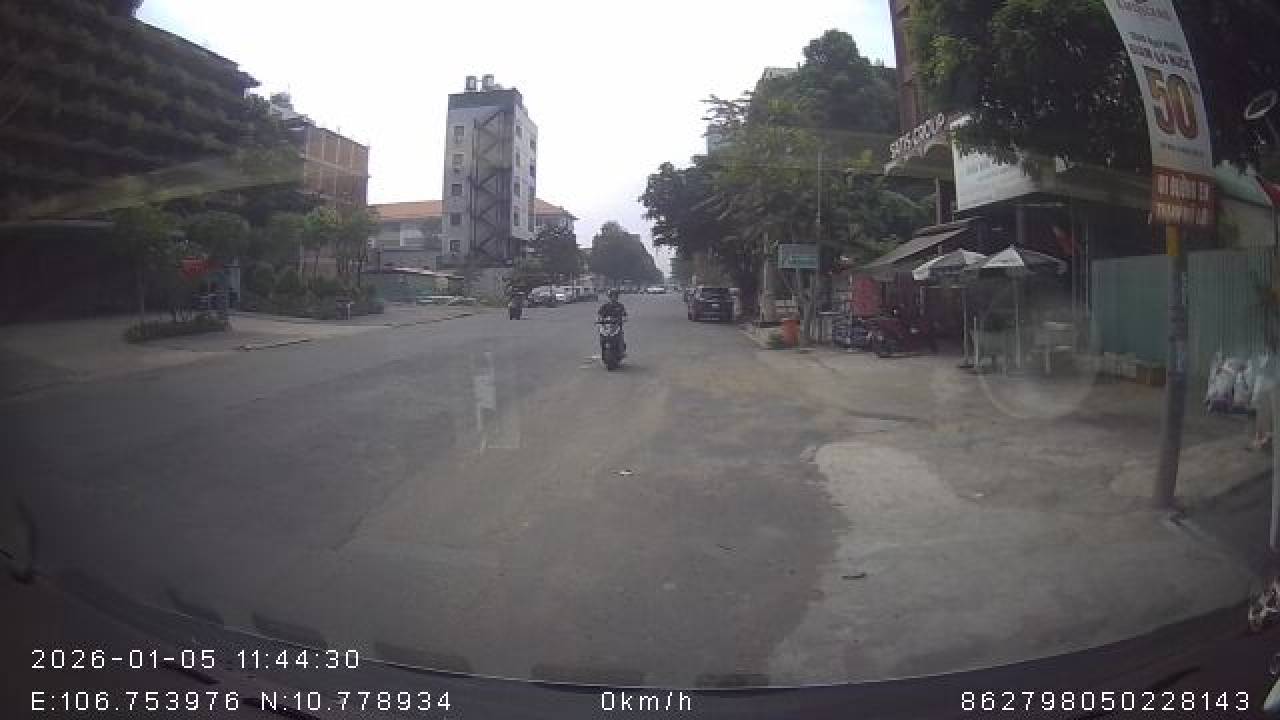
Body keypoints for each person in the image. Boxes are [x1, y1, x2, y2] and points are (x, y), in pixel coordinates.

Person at [598, 288, 628, 355]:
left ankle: (622, 351)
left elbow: (624, 315)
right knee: (602, 336)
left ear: (617, 297)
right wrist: (599, 320)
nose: (613, 297)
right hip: (606, 327)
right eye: (612, 296)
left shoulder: (620, 306)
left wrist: (624, 319)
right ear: (609, 297)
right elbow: (600, 315)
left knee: (620, 337)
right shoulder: (605, 306)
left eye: (615, 296)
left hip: (617, 326)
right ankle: (603, 350)